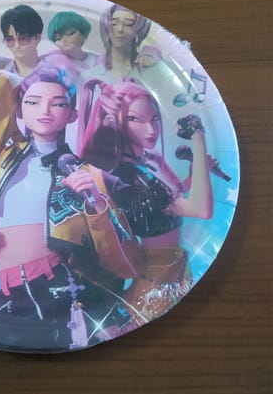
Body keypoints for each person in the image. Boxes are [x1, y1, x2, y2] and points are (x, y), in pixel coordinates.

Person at [0, 65, 145, 352]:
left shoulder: (83, 172)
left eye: (58, 104)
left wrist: (95, 202)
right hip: (9, 291)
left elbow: (121, 256)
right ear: (19, 109)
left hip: (61, 284)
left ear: (73, 115)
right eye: (33, 102)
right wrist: (33, 78)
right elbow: (0, 85)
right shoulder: (1, 159)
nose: (45, 111)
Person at [80, 81, 214, 321]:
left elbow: (171, 198)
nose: (151, 129)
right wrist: (198, 138)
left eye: (154, 119)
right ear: (113, 122)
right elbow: (200, 209)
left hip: (176, 267)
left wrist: (195, 174)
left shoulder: (150, 159)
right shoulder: (125, 175)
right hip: (156, 275)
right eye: (135, 119)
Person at [79, 4, 161, 148]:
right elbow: (83, 126)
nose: (119, 29)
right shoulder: (91, 77)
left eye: (128, 24)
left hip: (142, 151)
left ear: (138, 30)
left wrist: (154, 53)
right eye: (114, 23)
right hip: (102, 151)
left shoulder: (149, 70)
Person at [0, 4, 45, 78]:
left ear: (38, 37)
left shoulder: (54, 70)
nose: (17, 46)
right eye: (10, 40)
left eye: (23, 38)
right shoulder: (3, 77)